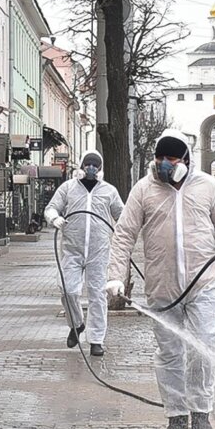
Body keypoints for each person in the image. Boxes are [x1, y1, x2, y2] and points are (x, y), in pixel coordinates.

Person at [104, 129, 215, 429]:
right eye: (160, 157)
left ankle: (200, 413)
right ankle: (177, 417)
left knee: (203, 348)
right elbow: (123, 235)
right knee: (170, 354)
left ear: (185, 159)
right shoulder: (144, 190)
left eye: (171, 158)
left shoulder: (206, 186)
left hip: (203, 285)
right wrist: (115, 277)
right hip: (162, 288)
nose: (165, 163)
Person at [45, 150, 124, 357]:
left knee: (98, 295)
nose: (90, 168)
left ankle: (96, 340)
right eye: (87, 164)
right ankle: (77, 324)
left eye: (94, 165)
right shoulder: (68, 188)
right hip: (72, 249)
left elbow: (122, 216)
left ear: (100, 168)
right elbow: (51, 207)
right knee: (67, 290)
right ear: (81, 166)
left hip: (99, 251)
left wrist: (126, 237)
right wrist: (55, 219)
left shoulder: (109, 191)